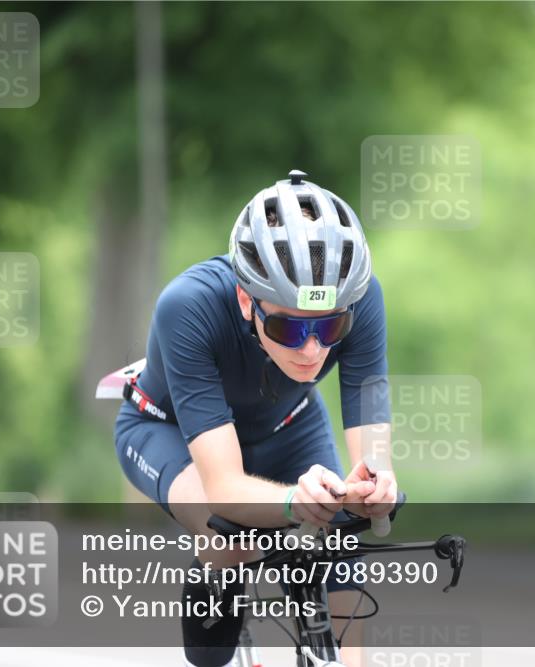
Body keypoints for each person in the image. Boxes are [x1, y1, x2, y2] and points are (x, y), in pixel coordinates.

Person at [113, 170, 396, 667]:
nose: (312, 349)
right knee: (233, 537)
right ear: (247, 300)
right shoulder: (188, 307)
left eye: (331, 325)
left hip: (289, 425)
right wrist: (294, 501)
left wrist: (375, 487)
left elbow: (371, 454)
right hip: (166, 430)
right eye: (288, 327)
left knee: (339, 557)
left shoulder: (362, 297)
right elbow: (224, 487)